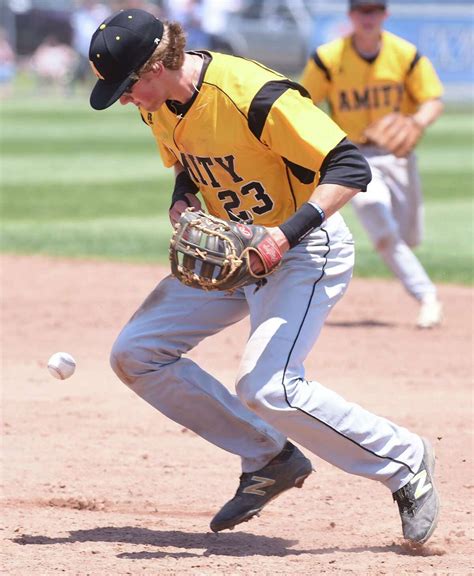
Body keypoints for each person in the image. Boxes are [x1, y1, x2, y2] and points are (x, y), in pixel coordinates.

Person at [88, 8, 440, 544]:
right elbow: (189, 156)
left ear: (156, 66)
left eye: (128, 88)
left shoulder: (255, 96)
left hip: (305, 250)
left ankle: (405, 461)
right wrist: (182, 200)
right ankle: (269, 456)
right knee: (135, 353)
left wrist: (284, 235)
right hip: (235, 250)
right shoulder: (157, 104)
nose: (127, 100)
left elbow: (349, 166)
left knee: (269, 386)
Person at [301, 0, 444, 329]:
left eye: (375, 10)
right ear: (351, 16)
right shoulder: (328, 59)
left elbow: (432, 100)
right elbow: (303, 104)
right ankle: (427, 296)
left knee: (407, 237)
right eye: (362, 11)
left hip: (398, 154)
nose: (369, 17)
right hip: (354, 156)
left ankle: (419, 281)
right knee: (377, 217)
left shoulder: (404, 55)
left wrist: (417, 123)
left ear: (385, 15)